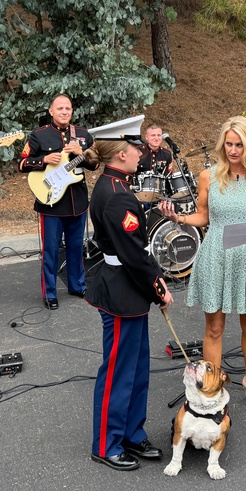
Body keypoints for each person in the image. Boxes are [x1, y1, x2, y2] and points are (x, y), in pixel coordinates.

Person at [158, 116, 246, 410]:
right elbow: (204, 216)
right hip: (216, 255)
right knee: (214, 328)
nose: (233, 150)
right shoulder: (208, 175)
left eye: (239, 144)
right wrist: (180, 219)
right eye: (229, 144)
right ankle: (211, 391)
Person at [84, 129, 174, 471]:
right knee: (119, 372)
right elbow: (134, 254)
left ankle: (132, 433)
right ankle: (106, 443)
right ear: (121, 154)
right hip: (124, 289)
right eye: (135, 149)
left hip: (128, 288)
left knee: (136, 368)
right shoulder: (117, 193)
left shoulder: (113, 184)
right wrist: (159, 286)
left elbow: (131, 244)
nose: (141, 154)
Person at [19, 94, 96, 310]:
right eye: (60, 108)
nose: (64, 112)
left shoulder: (82, 134)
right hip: (51, 202)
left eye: (68, 108)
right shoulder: (39, 135)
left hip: (77, 200)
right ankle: (50, 292)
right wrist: (42, 160)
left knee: (75, 247)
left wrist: (83, 153)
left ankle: (77, 285)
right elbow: (22, 163)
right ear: (51, 111)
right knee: (51, 250)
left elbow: (95, 165)